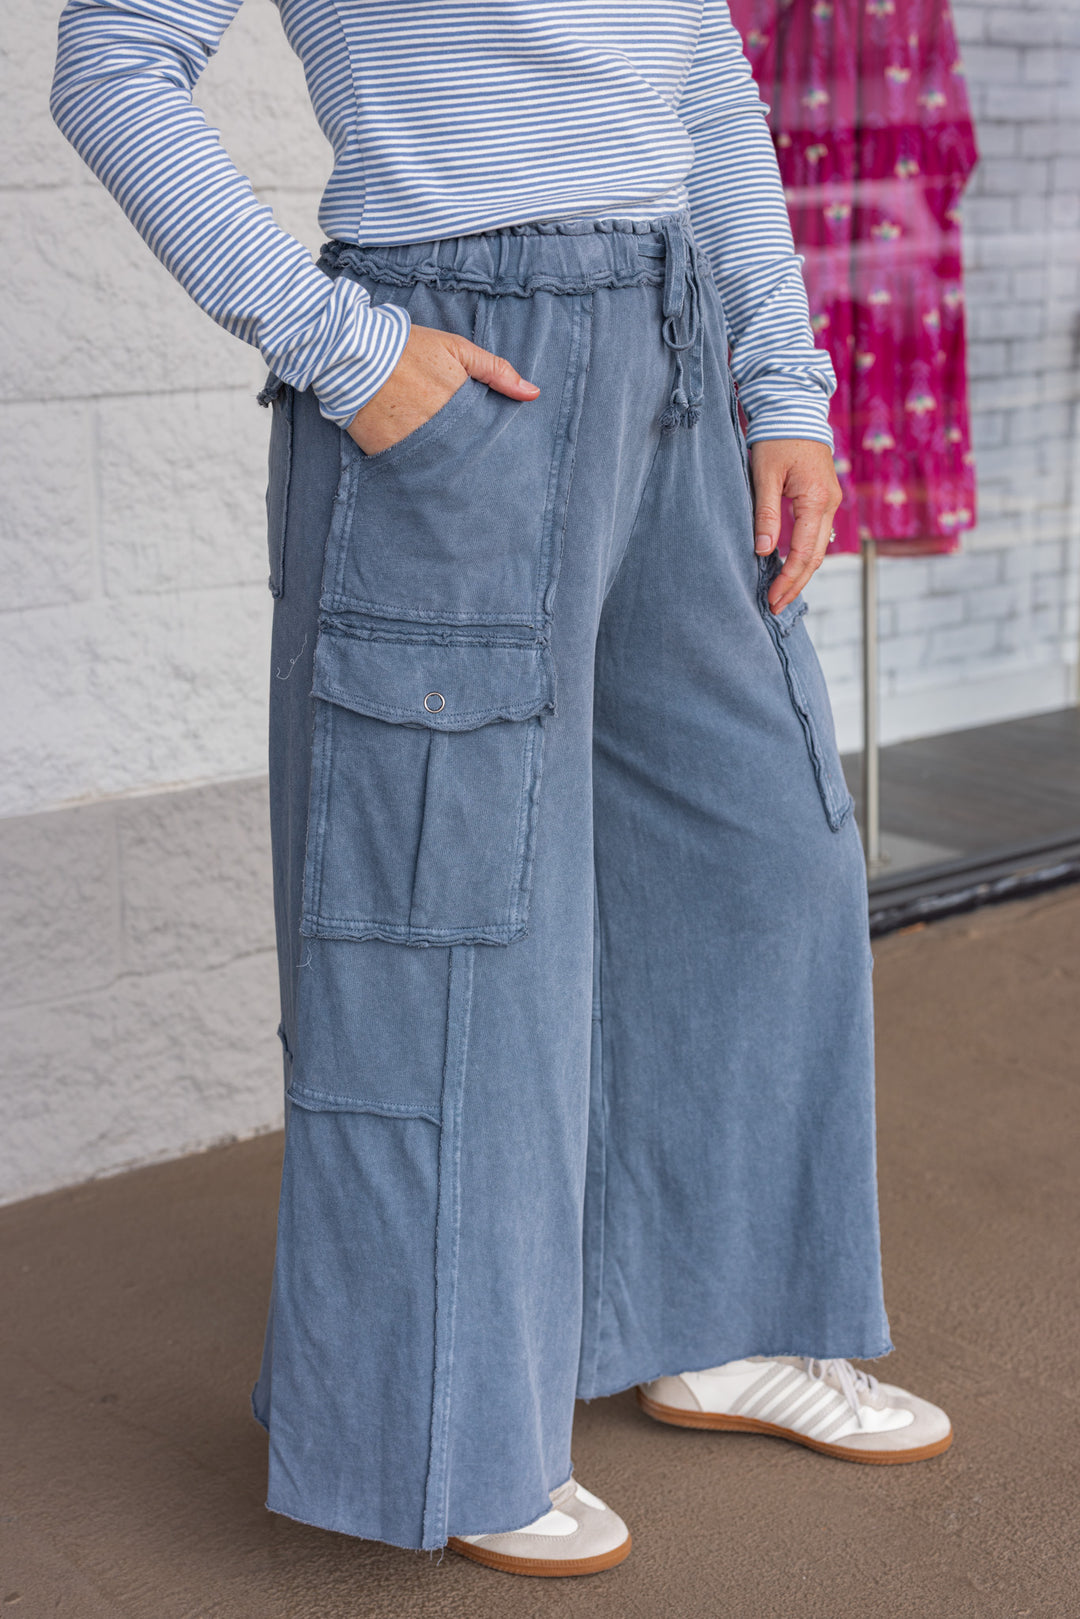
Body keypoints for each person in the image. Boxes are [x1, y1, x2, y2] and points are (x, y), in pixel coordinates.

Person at [50, 0, 952, 1579]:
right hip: (458, 361)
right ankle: (446, 1429)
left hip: (675, 352)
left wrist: (784, 386)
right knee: (452, 922)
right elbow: (112, 64)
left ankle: (717, 1322)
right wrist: (341, 347)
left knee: (754, 857)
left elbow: (708, 73)